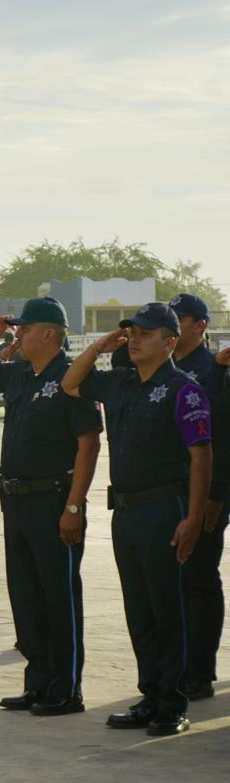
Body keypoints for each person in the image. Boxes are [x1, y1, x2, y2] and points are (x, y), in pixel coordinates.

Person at [63, 302, 212, 736]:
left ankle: (172, 702)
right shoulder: (120, 383)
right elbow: (71, 384)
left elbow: (201, 458)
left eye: (146, 334)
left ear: (170, 342)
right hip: (126, 513)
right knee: (139, 609)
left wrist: (193, 518)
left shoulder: (184, 391)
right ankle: (150, 694)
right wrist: (99, 347)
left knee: (167, 609)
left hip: (164, 510)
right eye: (132, 332)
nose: (135, 339)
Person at [0, 297, 103, 715]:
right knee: (26, 595)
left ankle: (65, 688)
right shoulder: (21, 373)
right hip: (16, 500)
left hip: (53, 500)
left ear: (49, 334)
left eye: (26, 329)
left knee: (58, 595)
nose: (19, 334)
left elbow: (89, 444)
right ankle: (38, 681)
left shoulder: (72, 377)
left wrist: (74, 507)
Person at [168, 293, 227, 701]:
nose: (173, 324)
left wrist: (215, 496)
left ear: (201, 325)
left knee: (199, 579)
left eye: (181, 318)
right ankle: (176, 666)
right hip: (168, 493)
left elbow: (222, 439)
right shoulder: (164, 368)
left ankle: (200, 672)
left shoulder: (213, 370)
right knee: (172, 583)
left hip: (203, 495)